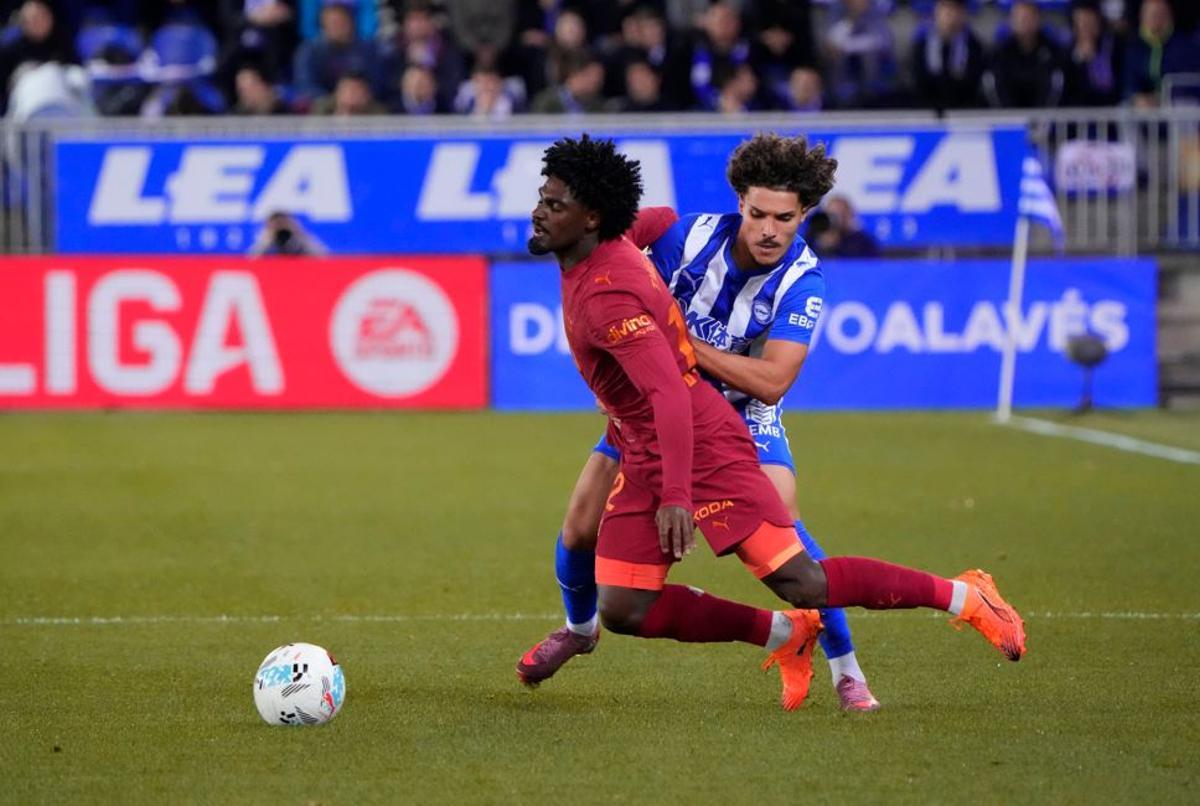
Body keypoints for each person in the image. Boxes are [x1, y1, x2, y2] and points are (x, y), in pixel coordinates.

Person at [517, 133, 1026, 712]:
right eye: (757, 213)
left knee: (790, 544)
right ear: (740, 204)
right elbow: (626, 228)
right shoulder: (680, 236)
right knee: (586, 532)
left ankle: (854, 665)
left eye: (783, 218)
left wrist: (674, 345)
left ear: (803, 215)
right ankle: (588, 630)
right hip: (651, 419)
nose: (767, 229)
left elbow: (771, 380)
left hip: (732, 411)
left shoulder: (801, 281)